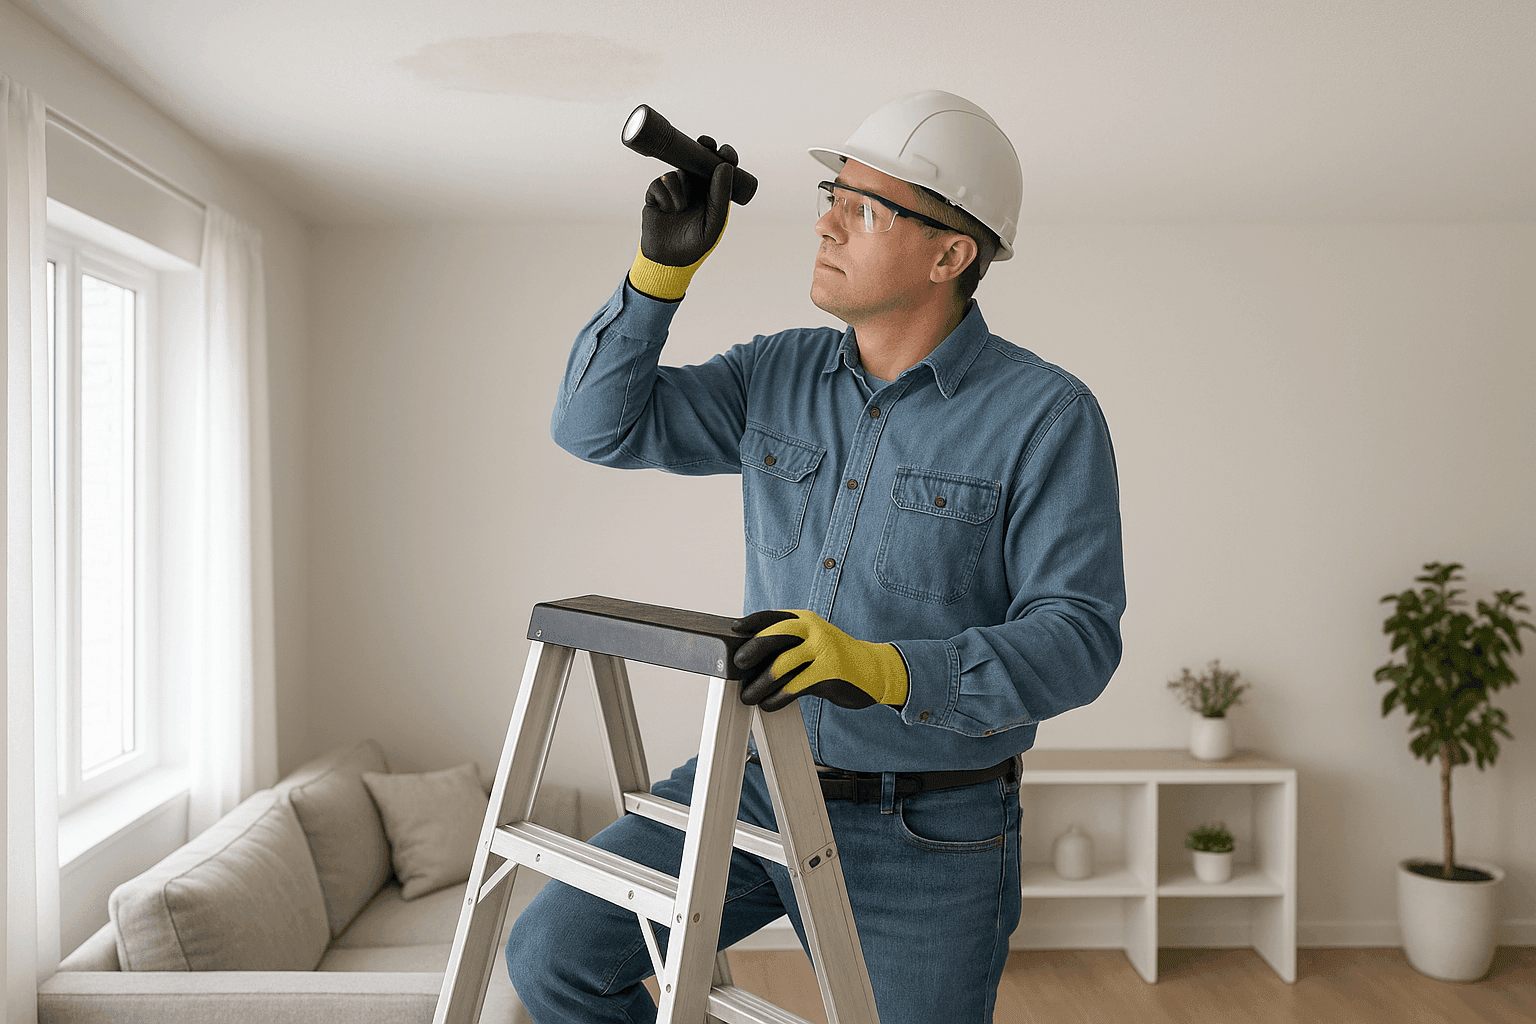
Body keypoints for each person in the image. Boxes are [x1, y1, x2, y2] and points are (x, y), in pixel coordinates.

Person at [507, 90, 1126, 1024]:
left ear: (950, 255)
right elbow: (595, 426)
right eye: (833, 192)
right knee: (554, 954)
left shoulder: (1046, 417)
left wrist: (879, 670)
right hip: (755, 780)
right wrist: (656, 276)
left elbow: (1078, 640)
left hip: (931, 829)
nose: (826, 220)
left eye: (863, 207)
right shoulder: (774, 374)